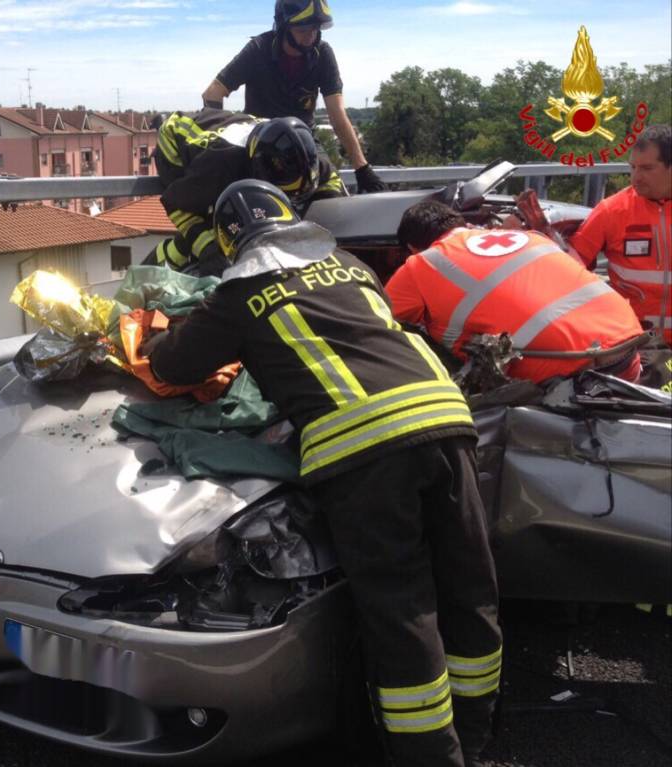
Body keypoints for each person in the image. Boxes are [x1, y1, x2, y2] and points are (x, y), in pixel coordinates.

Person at [147, 180, 502, 767]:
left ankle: (431, 756)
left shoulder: (238, 293)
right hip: (447, 420)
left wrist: (164, 333)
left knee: (402, 613)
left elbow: (173, 365)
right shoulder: (350, 267)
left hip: (365, 450)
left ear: (229, 242)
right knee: (469, 585)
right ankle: (478, 732)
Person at [387, 200, 645, 384]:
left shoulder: (420, 265)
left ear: (412, 248)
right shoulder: (530, 237)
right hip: (628, 343)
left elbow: (375, 320)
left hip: (569, 369)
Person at [201, 0, 384, 193]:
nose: (310, 36)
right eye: (303, 29)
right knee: (259, 204)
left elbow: (337, 114)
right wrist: (219, 144)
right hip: (261, 146)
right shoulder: (259, 49)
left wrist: (362, 168)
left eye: (315, 28)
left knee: (332, 195)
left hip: (305, 143)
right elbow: (213, 93)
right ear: (283, 27)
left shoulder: (323, 54)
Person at [148, 108, 343, 275]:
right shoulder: (221, 165)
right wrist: (207, 246)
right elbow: (174, 203)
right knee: (209, 235)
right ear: (257, 169)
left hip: (221, 130)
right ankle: (157, 266)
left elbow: (332, 182)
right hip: (174, 144)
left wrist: (323, 226)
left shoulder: (304, 153)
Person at [569, 124, 672, 346]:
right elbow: (570, 269)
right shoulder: (611, 211)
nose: (636, 177)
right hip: (632, 344)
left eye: (647, 168)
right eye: (633, 167)